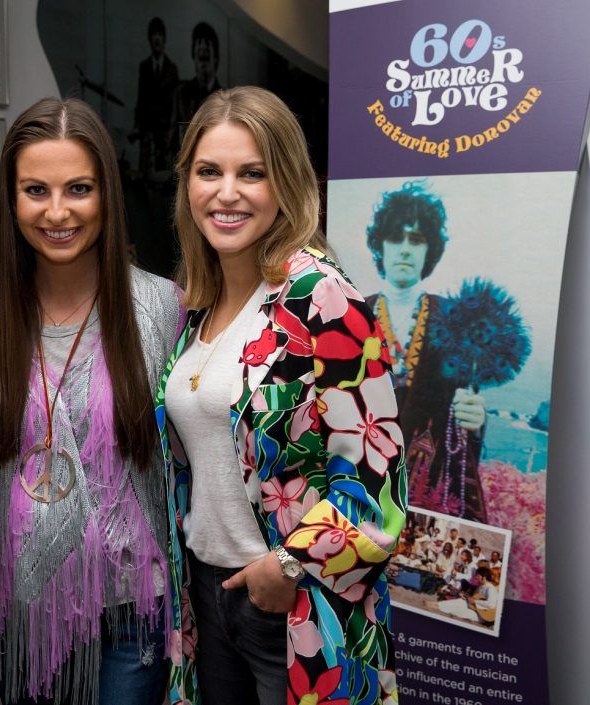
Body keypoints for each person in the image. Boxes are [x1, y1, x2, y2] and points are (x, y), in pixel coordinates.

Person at [157, 87, 406, 705]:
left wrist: (289, 568)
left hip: (295, 606)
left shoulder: (324, 301)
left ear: (287, 183)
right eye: (209, 172)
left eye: (252, 173)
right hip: (207, 596)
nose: (227, 192)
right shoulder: (198, 302)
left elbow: (380, 478)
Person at [0, 97, 184, 705]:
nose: (57, 212)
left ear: (107, 195)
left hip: (132, 609)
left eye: (78, 188)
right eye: (36, 190)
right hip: (23, 610)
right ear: (12, 201)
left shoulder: (162, 308)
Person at [364, 182, 487, 521]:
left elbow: (467, 401)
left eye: (416, 240)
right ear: (380, 246)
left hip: (431, 480)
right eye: (395, 237)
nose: (405, 249)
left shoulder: (455, 320)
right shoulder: (352, 314)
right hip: (364, 482)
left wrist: (476, 421)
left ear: (429, 250)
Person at [134, 16, 179, 180]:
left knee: (164, 178)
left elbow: (175, 104)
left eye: (160, 34)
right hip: (147, 130)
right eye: (154, 34)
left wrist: (171, 131)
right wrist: (137, 125)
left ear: (164, 38)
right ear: (149, 39)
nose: (157, 38)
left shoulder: (172, 68)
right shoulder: (144, 66)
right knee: (145, 176)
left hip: (164, 132)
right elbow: (140, 98)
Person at [170, 22, 221, 151]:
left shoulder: (226, 98)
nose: (203, 45)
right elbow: (172, 136)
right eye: (199, 42)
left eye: (208, 43)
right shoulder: (181, 94)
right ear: (194, 55)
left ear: (215, 57)